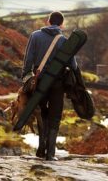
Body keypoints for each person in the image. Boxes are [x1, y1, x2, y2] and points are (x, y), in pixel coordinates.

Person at [21, 11, 77, 161]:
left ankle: (41, 149)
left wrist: (26, 77)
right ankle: (50, 153)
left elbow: (28, 59)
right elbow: (73, 64)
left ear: (48, 21)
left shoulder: (35, 36)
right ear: (61, 24)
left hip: (39, 81)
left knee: (41, 113)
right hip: (57, 83)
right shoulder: (64, 41)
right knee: (55, 116)